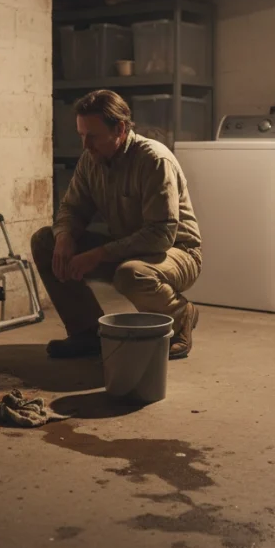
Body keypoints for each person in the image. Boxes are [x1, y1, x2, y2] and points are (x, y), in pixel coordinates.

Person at [30, 89, 203, 360]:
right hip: (128, 249)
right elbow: (72, 208)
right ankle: (88, 333)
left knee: (131, 274)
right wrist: (64, 237)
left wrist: (98, 254)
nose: (85, 145)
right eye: (81, 136)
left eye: (93, 136)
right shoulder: (92, 159)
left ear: (120, 129)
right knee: (45, 241)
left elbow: (160, 235)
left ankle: (181, 316)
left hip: (177, 252)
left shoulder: (154, 160)